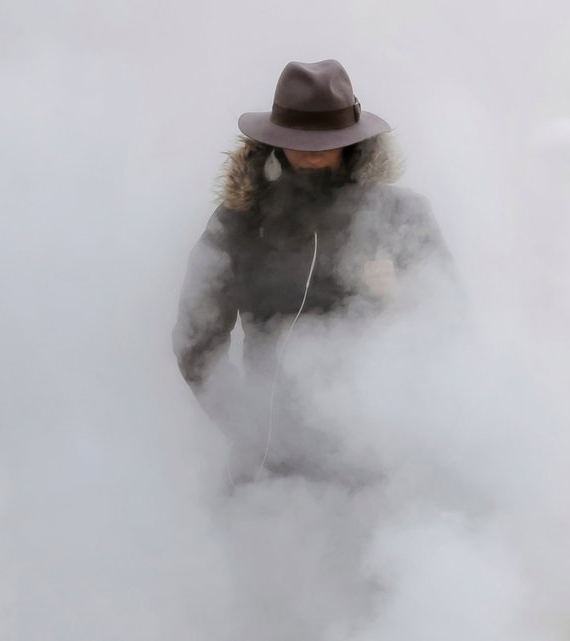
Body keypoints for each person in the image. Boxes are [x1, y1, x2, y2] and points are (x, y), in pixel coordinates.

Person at [173, 59, 452, 484]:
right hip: (268, 476)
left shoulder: (401, 215)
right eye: (299, 135)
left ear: (353, 138)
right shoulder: (241, 221)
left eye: (327, 135)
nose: (312, 148)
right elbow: (196, 340)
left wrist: (403, 297)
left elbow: (454, 330)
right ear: (274, 137)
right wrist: (248, 430)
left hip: (379, 474)